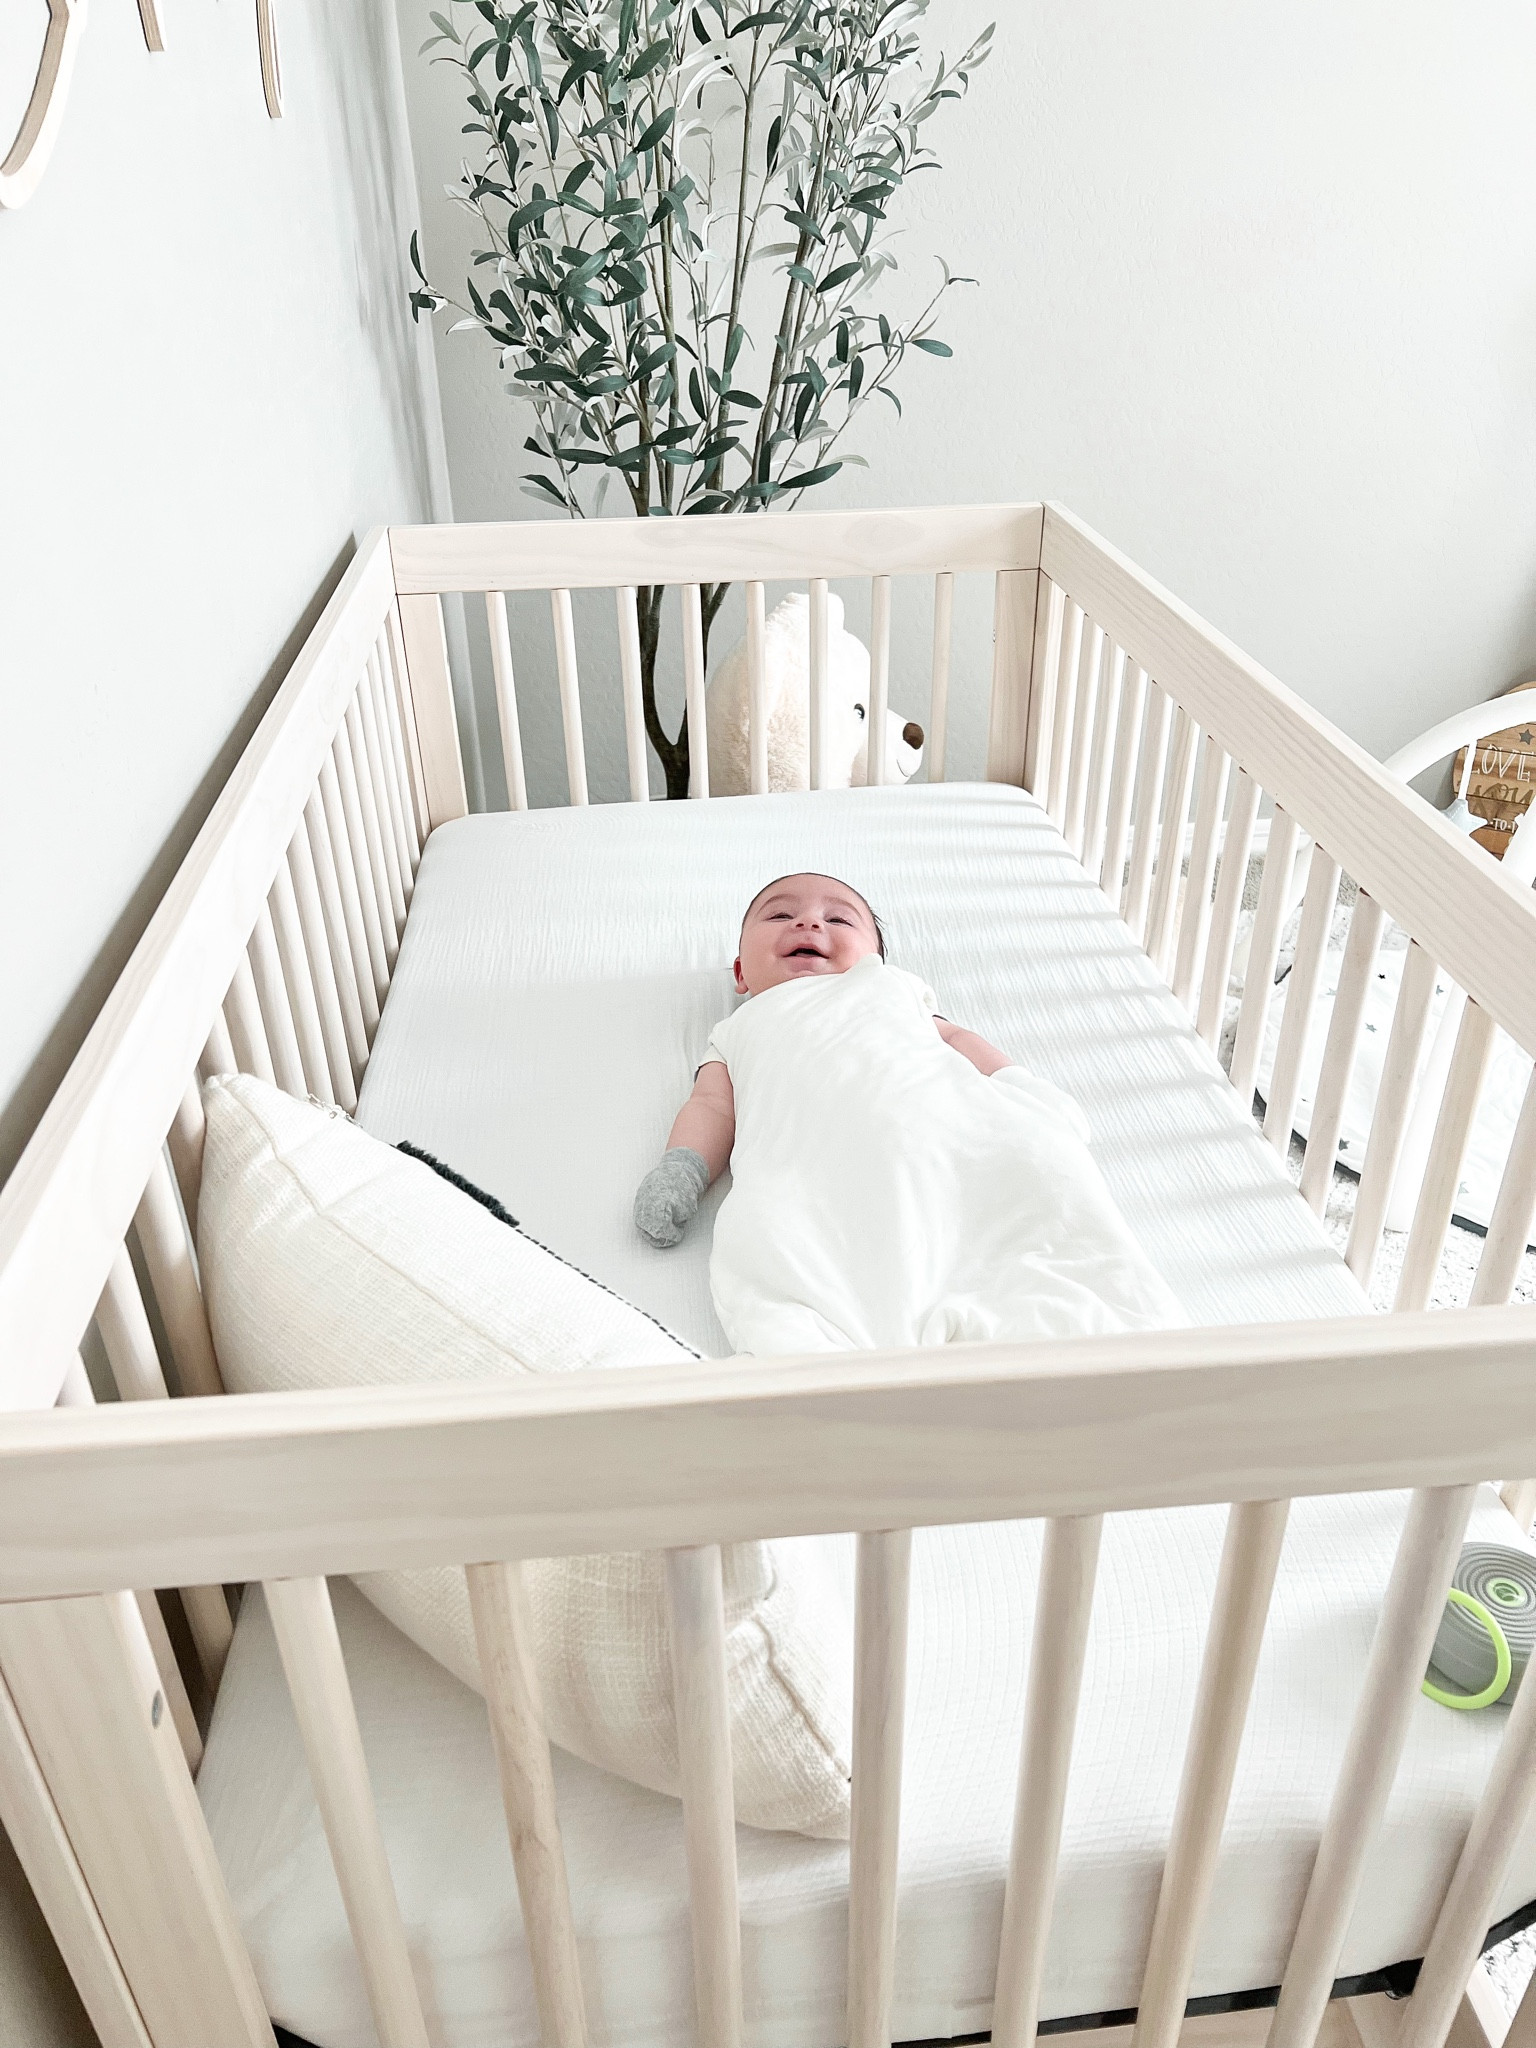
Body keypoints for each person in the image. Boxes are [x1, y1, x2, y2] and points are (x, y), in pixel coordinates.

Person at [633, 871, 1181, 1354]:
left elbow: (957, 1037)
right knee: (775, 1237)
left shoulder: (892, 989)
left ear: (876, 959)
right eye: (780, 915)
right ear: (741, 975)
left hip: (959, 1138)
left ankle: (1099, 1341)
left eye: (838, 919)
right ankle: (833, 1364)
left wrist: (1020, 1086)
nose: (808, 924)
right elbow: (710, 1105)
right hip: (814, 1169)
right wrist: (681, 1170)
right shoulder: (738, 1030)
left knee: (1035, 1182)